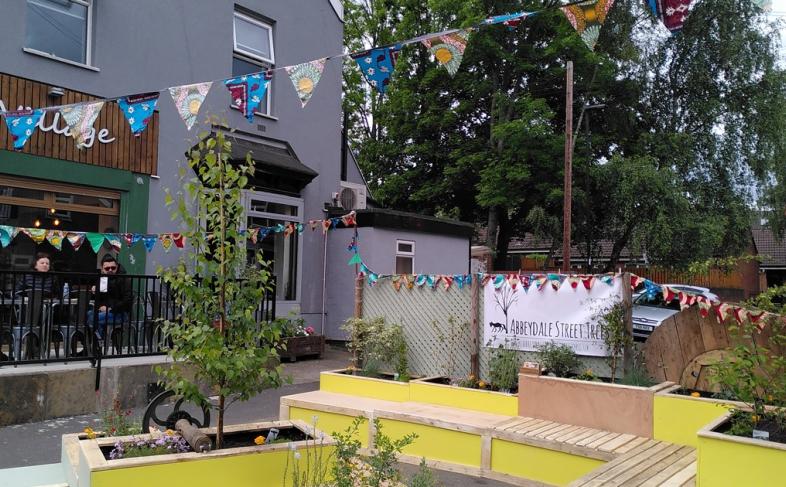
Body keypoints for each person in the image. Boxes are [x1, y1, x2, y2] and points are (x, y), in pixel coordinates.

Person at [89, 254, 133, 338]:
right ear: (102, 269)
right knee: (86, 315)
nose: (110, 270)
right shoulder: (102, 279)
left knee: (93, 318)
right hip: (106, 312)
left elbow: (127, 301)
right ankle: (92, 346)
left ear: (117, 267)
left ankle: (99, 343)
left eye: (113, 268)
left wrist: (110, 308)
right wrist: (94, 291)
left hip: (121, 313)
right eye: (107, 268)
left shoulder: (124, 279)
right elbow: (99, 299)